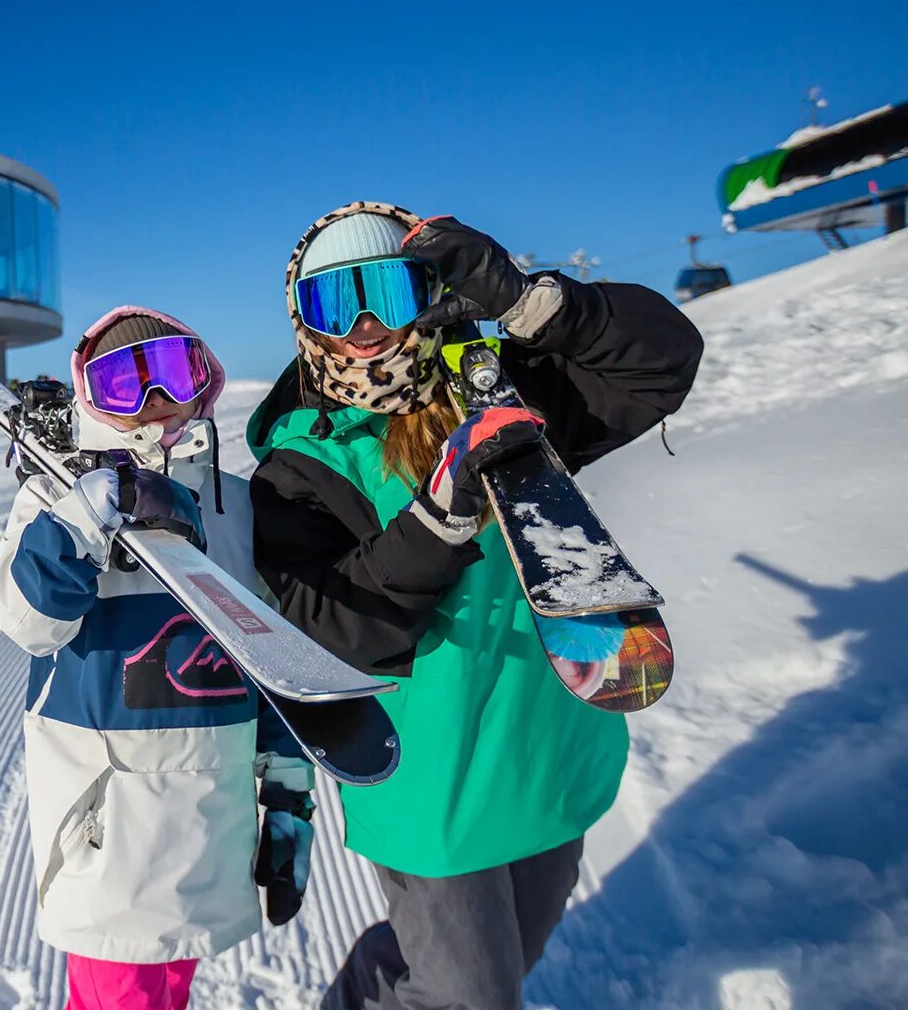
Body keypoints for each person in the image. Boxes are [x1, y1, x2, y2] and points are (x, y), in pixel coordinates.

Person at [244, 203, 703, 1010]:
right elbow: (331, 636)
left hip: (549, 744)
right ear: (300, 320)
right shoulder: (300, 465)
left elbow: (661, 364)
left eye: (383, 292)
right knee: (472, 998)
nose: (360, 328)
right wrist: (438, 519)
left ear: (430, 290)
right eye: (331, 302)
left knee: (501, 965)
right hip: (433, 784)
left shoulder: (499, 386)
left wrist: (531, 306)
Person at [0, 306, 317, 1010]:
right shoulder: (56, 494)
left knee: (172, 988)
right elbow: (28, 622)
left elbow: (270, 655)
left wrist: (288, 797)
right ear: (90, 396)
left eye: (169, 374)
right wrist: (98, 506)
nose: (153, 403)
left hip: (209, 821)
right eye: (123, 383)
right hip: (113, 832)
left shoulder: (236, 506)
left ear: (202, 381)